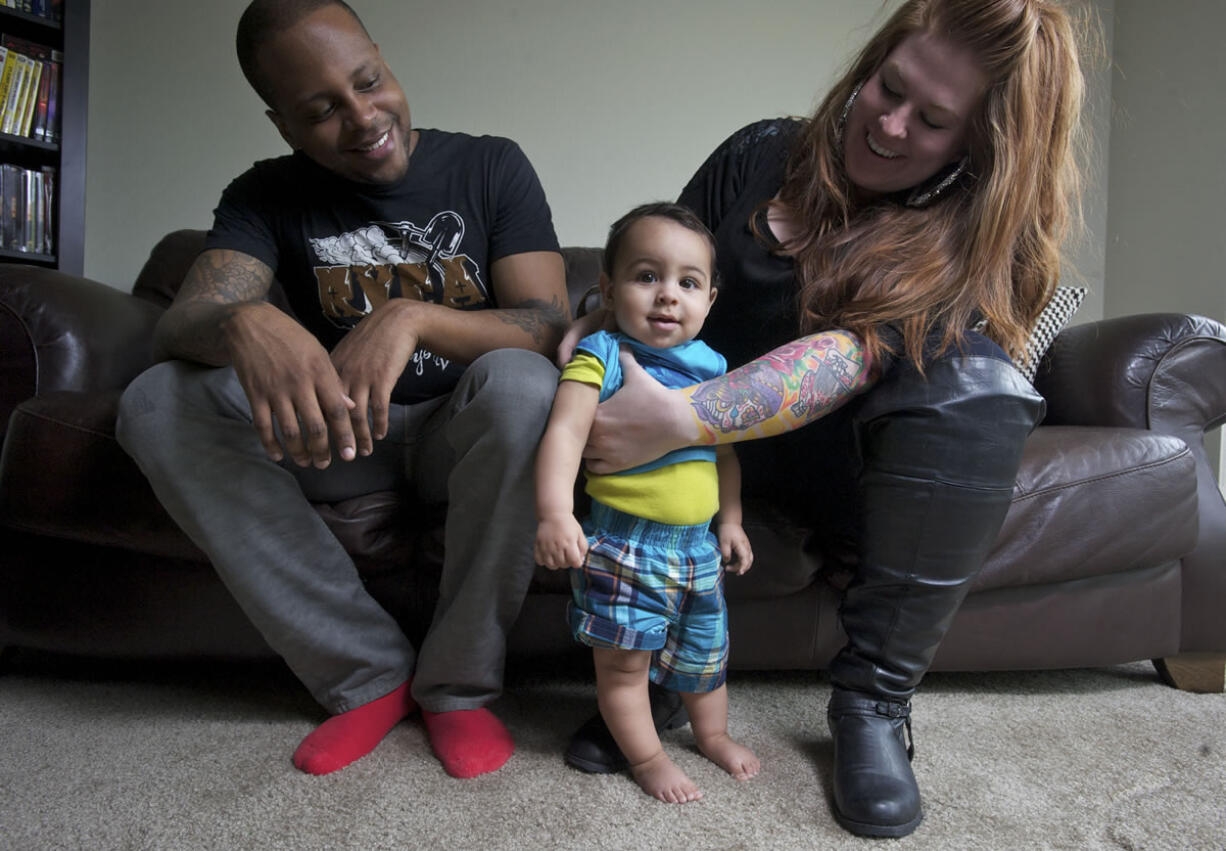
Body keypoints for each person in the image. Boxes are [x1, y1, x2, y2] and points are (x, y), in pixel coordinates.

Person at [563, 0, 1085, 838]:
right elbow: (665, 256)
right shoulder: (761, 152)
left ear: (975, 147)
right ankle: (658, 663)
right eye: (888, 86)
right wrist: (589, 333)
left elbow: (851, 355)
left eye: (932, 119)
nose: (888, 123)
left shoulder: (971, 239)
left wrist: (683, 416)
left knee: (978, 385)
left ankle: (874, 703)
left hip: (843, 469)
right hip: (701, 474)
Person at [115, 0, 570, 780]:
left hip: (462, 432)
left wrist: (413, 318)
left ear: (384, 60)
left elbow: (548, 325)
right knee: (156, 403)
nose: (362, 118)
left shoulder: (492, 165)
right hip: (339, 434)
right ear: (282, 124)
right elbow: (181, 321)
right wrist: (240, 323)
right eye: (322, 110)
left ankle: (458, 688)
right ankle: (368, 676)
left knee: (527, 384)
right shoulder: (265, 194)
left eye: (368, 82)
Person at [535, 203, 760, 804]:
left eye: (687, 283)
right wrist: (556, 513)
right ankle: (648, 756)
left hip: (697, 550)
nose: (667, 296)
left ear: (710, 299)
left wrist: (731, 521)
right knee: (624, 667)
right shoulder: (603, 356)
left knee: (704, 657)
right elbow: (564, 435)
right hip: (624, 547)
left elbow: (726, 456)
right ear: (607, 289)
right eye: (646, 277)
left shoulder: (713, 368)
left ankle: (711, 736)